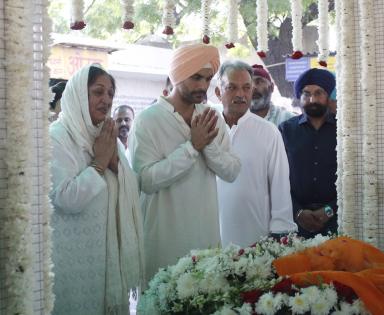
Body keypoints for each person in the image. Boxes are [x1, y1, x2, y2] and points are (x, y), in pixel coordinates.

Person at [129, 43, 241, 282]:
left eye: (208, 79)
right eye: (196, 78)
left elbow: (231, 171)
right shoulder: (147, 121)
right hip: (163, 241)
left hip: (205, 237)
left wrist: (208, 146)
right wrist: (192, 148)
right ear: (177, 74)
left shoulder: (211, 117)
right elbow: (146, 181)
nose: (203, 86)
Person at [49, 64, 144, 315]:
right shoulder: (57, 137)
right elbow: (65, 197)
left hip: (106, 256)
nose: (106, 100)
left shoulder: (106, 134)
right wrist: (100, 163)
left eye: (111, 94)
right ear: (80, 94)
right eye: (98, 92)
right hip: (73, 258)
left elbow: (131, 186)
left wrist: (116, 167)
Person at [215, 60, 297, 248]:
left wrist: (280, 233)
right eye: (232, 88)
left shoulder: (269, 132)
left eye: (246, 88)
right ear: (218, 92)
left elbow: (280, 185)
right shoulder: (207, 126)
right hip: (210, 233)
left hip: (256, 237)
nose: (240, 94)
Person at [279, 68, 337, 239]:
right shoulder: (286, 130)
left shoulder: (343, 130)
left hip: (336, 220)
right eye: (306, 94)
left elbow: (353, 178)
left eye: (318, 93)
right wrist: (297, 212)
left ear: (328, 96)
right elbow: (276, 177)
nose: (312, 99)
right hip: (294, 221)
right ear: (300, 97)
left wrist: (329, 210)